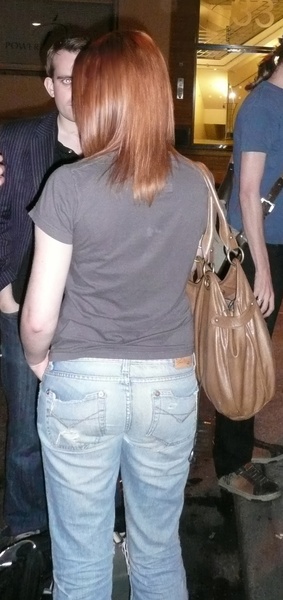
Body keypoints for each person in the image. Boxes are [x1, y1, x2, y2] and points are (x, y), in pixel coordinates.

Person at [20, 30, 208, 600]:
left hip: (82, 380)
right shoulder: (195, 182)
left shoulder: (69, 186)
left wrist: (37, 362)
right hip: (169, 381)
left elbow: (36, 318)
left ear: (100, 98)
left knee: (81, 560)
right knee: (158, 549)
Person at [0, 33, 88, 550]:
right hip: (24, 310)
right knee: (28, 435)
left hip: (93, 315)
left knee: (91, 431)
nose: (79, 89)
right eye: (68, 78)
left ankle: (83, 530)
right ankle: (26, 533)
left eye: (87, 77)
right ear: (49, 85)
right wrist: (4, 297)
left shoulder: (116, 144)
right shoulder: (15, 142)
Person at [213, 41, 283, 502]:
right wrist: (260, 271)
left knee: (259, 352)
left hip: (276, 246)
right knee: (243, 353)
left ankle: (243, 442)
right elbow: (248, 192)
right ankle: (230, 463)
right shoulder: (261, 106)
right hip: (257, 249)